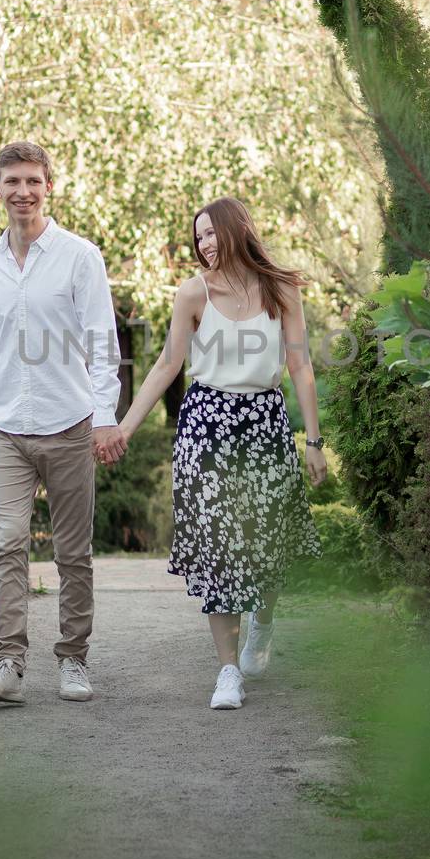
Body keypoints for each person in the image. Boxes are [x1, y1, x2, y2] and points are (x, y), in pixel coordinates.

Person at [118, 197, 326, 710]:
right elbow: (167, 366)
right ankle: (227, 671)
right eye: (199, 236)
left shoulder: (281, 290)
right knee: (218, 549)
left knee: (268, 546)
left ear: (236, 231)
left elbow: (300, 369)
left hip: (265, 424)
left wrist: (314, 443)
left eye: (211, 233)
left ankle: (264, 622)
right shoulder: (193, 293)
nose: (205, 244)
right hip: (206, 427)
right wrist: (123, 428)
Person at [0, 141, 127, 704]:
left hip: (69, 423)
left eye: (33, 180)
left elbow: (104, 346)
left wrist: (105, 419)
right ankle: (8, 662)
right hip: (8, 425)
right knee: (8, 543)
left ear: (48, 187)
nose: (23, 192)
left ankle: (74, 660)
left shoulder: (80, 256)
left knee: (71, 553)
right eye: (12, 181)